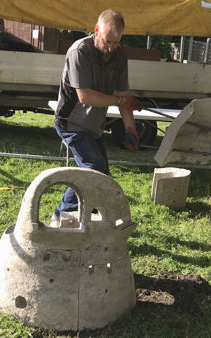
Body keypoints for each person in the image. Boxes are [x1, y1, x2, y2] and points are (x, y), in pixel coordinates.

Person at [52, 9, 140, 224]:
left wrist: (130, 129)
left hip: (93, 125)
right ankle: (61, 216)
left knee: (101, 175)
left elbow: (123, 97)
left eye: (116, 43)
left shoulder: (120, 58)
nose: (111, 48)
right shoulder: (79, 51)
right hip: (71, 122)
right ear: (96, 30)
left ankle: (88, 218)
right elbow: (84, 96)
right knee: (94, 170)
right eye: (107, 41)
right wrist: (121, 102)